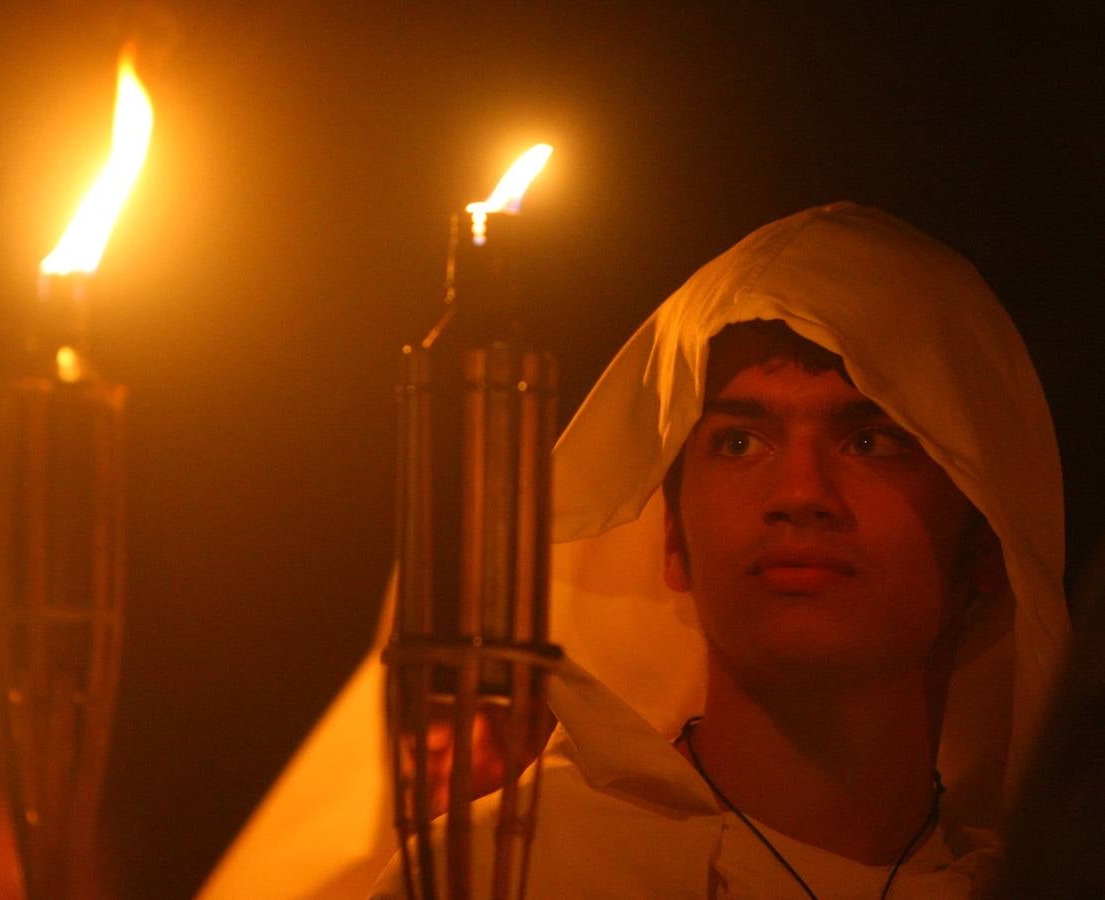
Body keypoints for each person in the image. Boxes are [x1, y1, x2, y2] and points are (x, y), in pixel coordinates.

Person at [368, 201, 1069, 897]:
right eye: (738, 443)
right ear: (671, 534)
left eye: (870, 442)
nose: (800, 492)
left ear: (985, 535)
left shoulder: (1030, 883)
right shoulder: (505, 877)